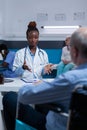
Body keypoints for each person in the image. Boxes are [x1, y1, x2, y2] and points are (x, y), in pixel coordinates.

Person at [3, 27, 87, 130]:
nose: (33, 40)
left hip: (56, 126)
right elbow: (16, 70)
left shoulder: (70, 79)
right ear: (27, 38)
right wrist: (24, 68)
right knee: (41, 104)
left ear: (74, 51)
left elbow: (24, 95)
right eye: (31, 37)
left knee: (9, 97)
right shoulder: (20, 53)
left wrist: (42, 82)